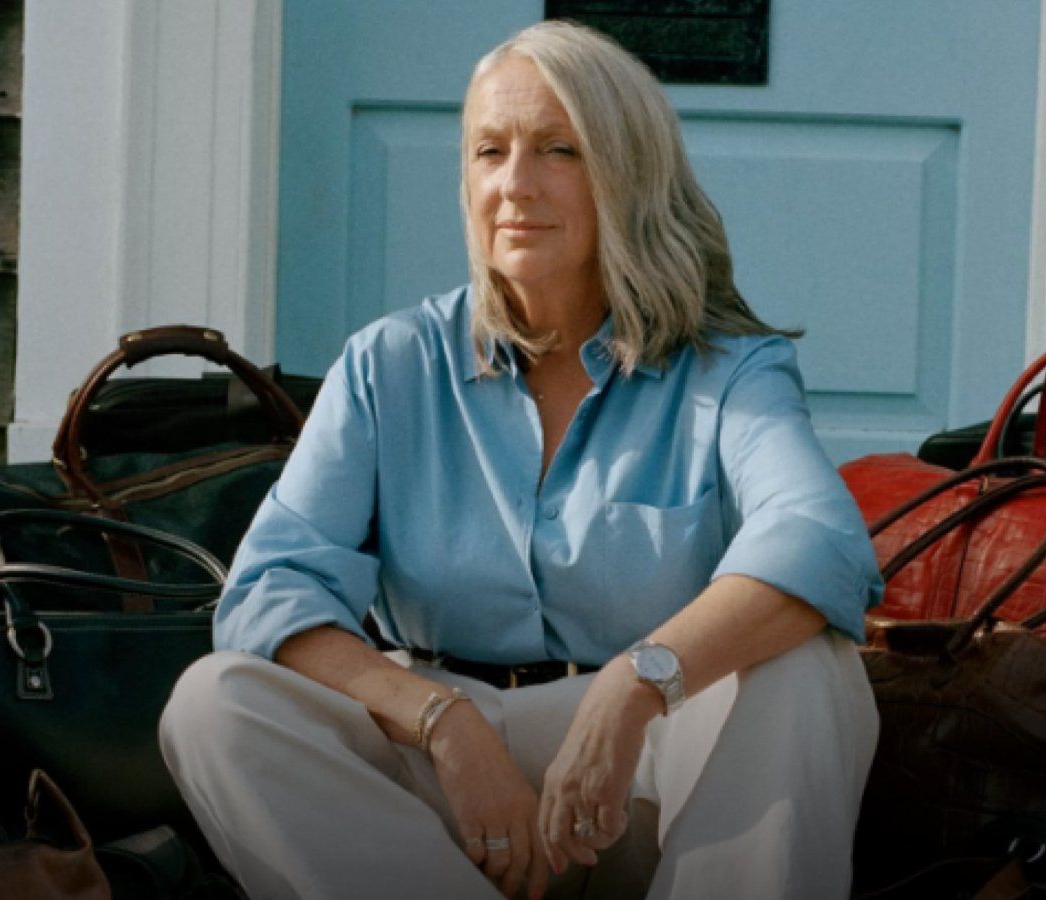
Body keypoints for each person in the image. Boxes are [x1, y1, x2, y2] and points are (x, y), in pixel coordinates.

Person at [160, 19, 882, 900]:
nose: (515, 185)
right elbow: (270, 590)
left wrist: (636, 683)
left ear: (626, 173)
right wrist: (443, 722)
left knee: (806, 671)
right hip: (440, 770)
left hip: (645, 770)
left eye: (558, 150)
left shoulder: (728, 372)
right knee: (215, 702)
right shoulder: (391, 365)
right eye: (489, 151)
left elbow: (819, 541)